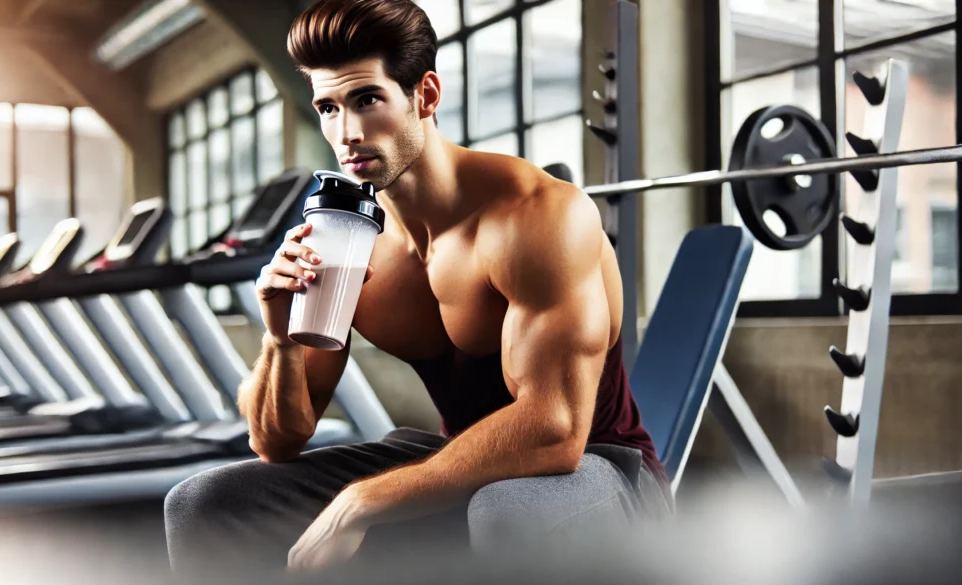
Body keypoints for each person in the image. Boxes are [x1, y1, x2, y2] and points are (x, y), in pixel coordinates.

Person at [164, 0, 672, 578]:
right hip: (460, 465)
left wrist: (367, 499)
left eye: (367, 100)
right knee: (205, 505)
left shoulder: (536, 215)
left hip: (597, 470)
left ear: (425, 95)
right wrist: (279, 338)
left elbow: (555, 431)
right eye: (328, 108)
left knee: (506, 511)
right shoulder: (346, 242)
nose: (347, 133)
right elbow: (278, 442)